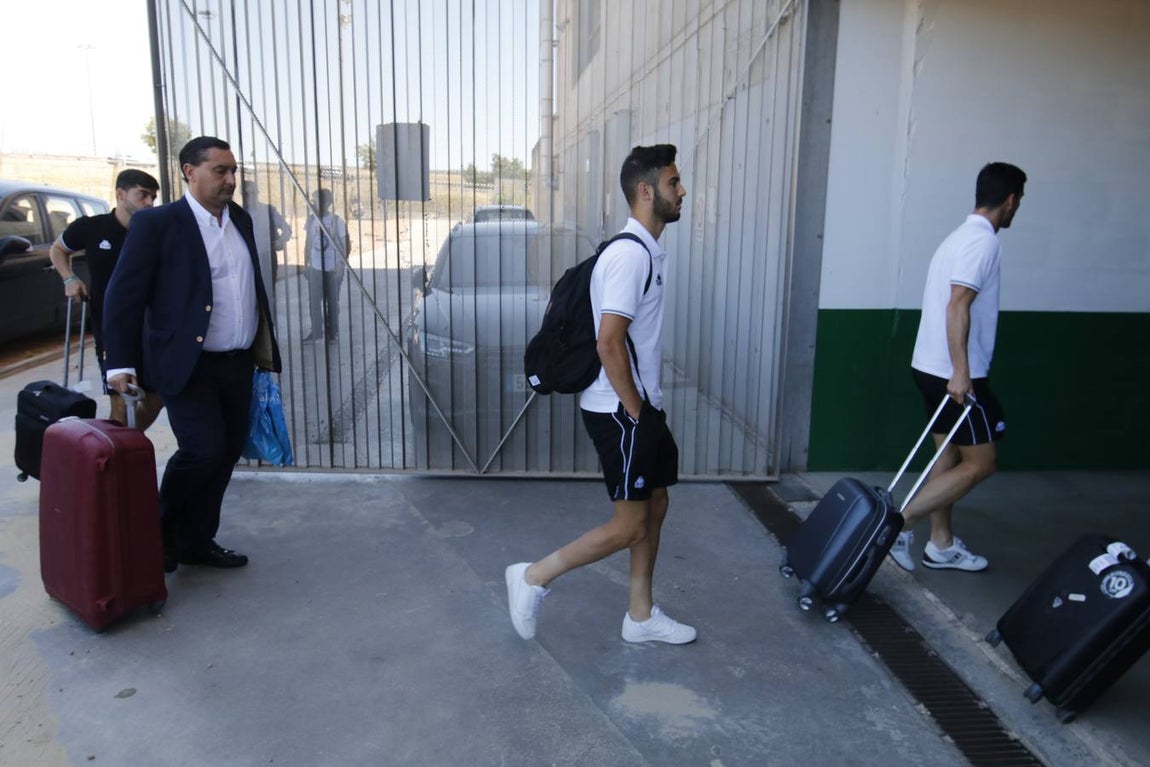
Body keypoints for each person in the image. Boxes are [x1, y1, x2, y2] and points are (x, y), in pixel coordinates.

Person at [505, 144, 695, 644]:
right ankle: (532, 576)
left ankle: (640, 614)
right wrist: (638, 413)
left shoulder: (647, 250)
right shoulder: (630, 258)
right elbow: (608, 343)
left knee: (656, 503)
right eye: (674, 183)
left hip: (637, 406)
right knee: (630, 524)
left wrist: (647, 407)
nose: (682, 191)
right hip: (619, 410)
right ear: (646, 191)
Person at [102, 136, 282, 573]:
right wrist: (120, 364)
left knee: (226, 453)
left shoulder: (238, 219)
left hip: (236, 363)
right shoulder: (158, 224)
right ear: (189, 171)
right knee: (203, 450)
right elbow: (123, 297)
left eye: (233, 170)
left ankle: (197, 540)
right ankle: (161, 532)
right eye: (220, 171)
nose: (231, 180)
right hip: (187, 365)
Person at [889, 162, 1027, 573]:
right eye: (1018, 204)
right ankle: (897, 527)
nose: (1017, 210)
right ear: (1011, 200)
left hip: (928, 367)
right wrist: (962, 372)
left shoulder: (957, 237)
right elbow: (958, 305)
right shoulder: (983, 243)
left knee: (947, 457)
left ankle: (941, 544)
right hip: (954, 373)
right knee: (981, 463)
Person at [49, 169, 165, 430]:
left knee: (159, 394)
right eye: (143, 195)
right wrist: (69, 279)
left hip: (150, 327)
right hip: (110, 329)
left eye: (153, 198)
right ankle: (117, 457)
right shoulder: (91, 227)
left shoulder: (153, 231)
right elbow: (57, 249)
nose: (149, 203)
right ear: (121, 194)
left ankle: (119, 445)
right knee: (122, 400)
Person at [302, 188, 348, 342]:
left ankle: (332, 332)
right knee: (314, 301)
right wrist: (305, 264)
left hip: (333, 269)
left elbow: (346, 244)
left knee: (332, 301)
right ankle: (316, 331)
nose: (317, 203)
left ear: (329, 202)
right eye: (315, 200)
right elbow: (308, 242)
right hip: (315, 268)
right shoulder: (311, 220)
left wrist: (341, 264)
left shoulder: (336, 221)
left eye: (322, 200)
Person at [240, 180, 292, 298]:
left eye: (253, 193)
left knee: (268, 295)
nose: (251, 197)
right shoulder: (238, 213)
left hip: (267, 257)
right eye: (247, 194)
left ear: (258, 193)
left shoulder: (268, 210)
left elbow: (287, 229)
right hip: (246, 259)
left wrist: (281, 241)